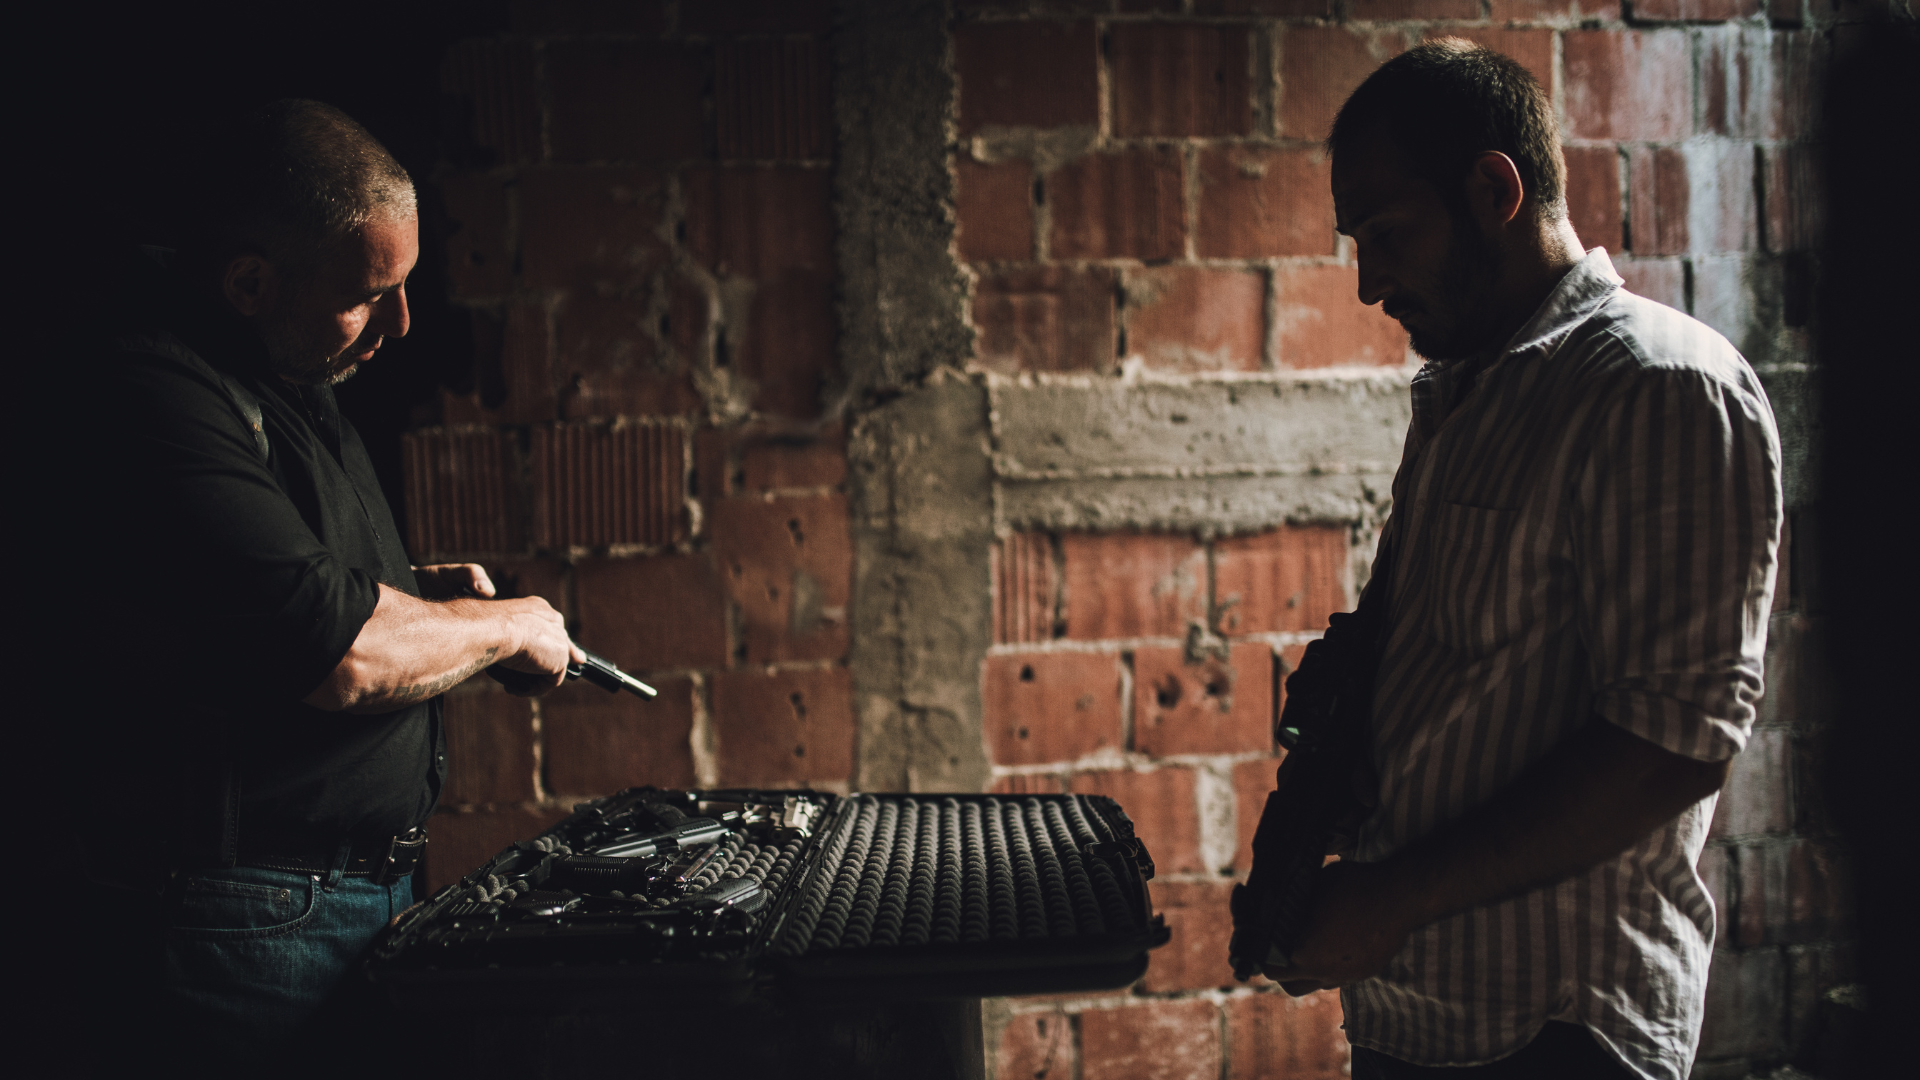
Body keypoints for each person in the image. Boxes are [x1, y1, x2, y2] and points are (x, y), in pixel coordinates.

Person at [1253, 41, 1782, 1080]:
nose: (1368, 284)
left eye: (1388, 234)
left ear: (1494, 188)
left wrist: (1391, 898)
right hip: (1419, 1015)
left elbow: (1673, 742)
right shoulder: (1463, 395)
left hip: (1556, 1032)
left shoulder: (1659, 387)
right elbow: (1478, 685)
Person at [56, 100, 580, 1069]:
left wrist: (420, 605)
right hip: (245, 925)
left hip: (326, 904)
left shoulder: (285, 368)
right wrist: (505, 626)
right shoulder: (157, 387)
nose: (403, 321)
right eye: (369, 291)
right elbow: (334, 650)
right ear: (251, 280)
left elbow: (262, 596)